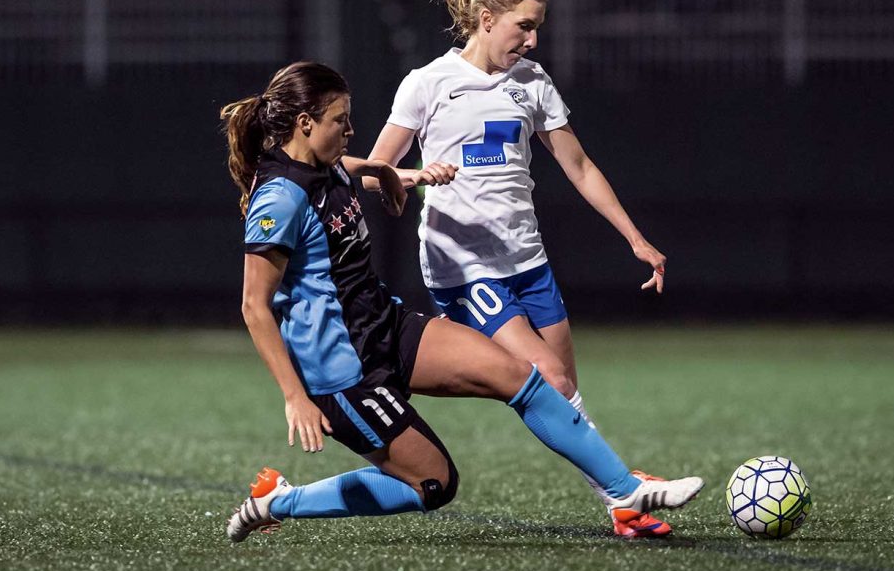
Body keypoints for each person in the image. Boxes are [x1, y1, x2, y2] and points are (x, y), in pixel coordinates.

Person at [220, 61, 702, 543]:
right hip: (343, 371)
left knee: (519, 375)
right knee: (435, 484)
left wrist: (389, 171)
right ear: (305, 124)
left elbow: (344, 168)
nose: (350, 130)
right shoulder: (279, 199)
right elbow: (254, 306)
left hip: (384, 325)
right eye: (339, 120)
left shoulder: (322, 164)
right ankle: (277, 501)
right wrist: (294, 398)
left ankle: (623, 492)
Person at [366, 0, 672, 538]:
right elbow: (371, 170)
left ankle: (620, 504)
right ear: (486, 20)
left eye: (537, 30)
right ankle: (625, 493)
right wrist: (412, 177)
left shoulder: (532, 82)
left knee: (568, 394)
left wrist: (635, 238)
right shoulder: (427, 83)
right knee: (550, 378)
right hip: (463, 269)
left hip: (527, 261)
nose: (532, 40)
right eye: (524, 27)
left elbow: (578, 166)